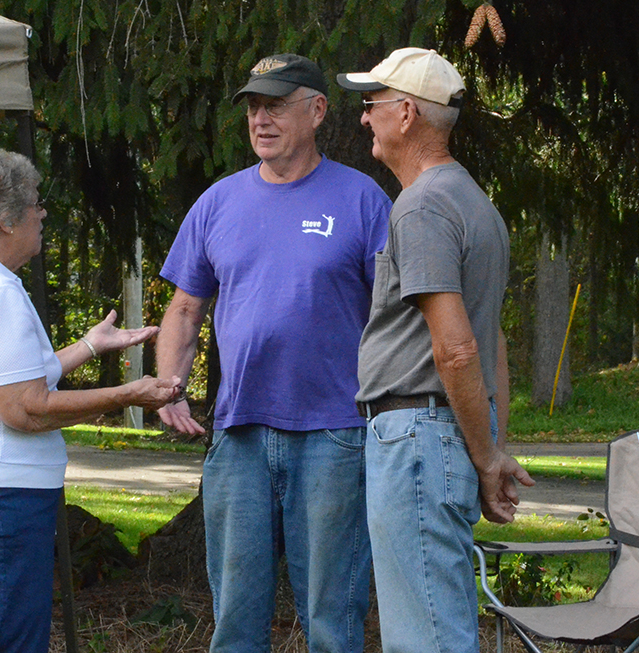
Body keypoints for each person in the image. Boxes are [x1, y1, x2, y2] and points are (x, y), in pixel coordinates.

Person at [156, 54, 391, 652]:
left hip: (336, 433)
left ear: (316, 111)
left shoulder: (363, 200)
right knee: (235, 619)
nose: (260, 119)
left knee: (332, 618)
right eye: (254, 107)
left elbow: (397, 316)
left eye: (276, 105)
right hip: (238, 436)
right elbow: (185, 309)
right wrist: (168, 386)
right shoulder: (217, 203)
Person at [0, 147, 180, 653]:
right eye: (35, 203)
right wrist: (129, 394)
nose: (42, 213)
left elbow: (6, 379)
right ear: (8, 220)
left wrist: (91, 346)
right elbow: (24, 408)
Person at [337, 48, 535, 653]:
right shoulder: (474, 201)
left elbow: (456, 348)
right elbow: (491, 339)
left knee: (423, 638)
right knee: (439, 626)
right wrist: (490, 446)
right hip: (438, 436)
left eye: (371, 106)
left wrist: (485, 455)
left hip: (417, 437)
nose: (363, 119)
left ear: (405, 114)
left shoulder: (422, 205)